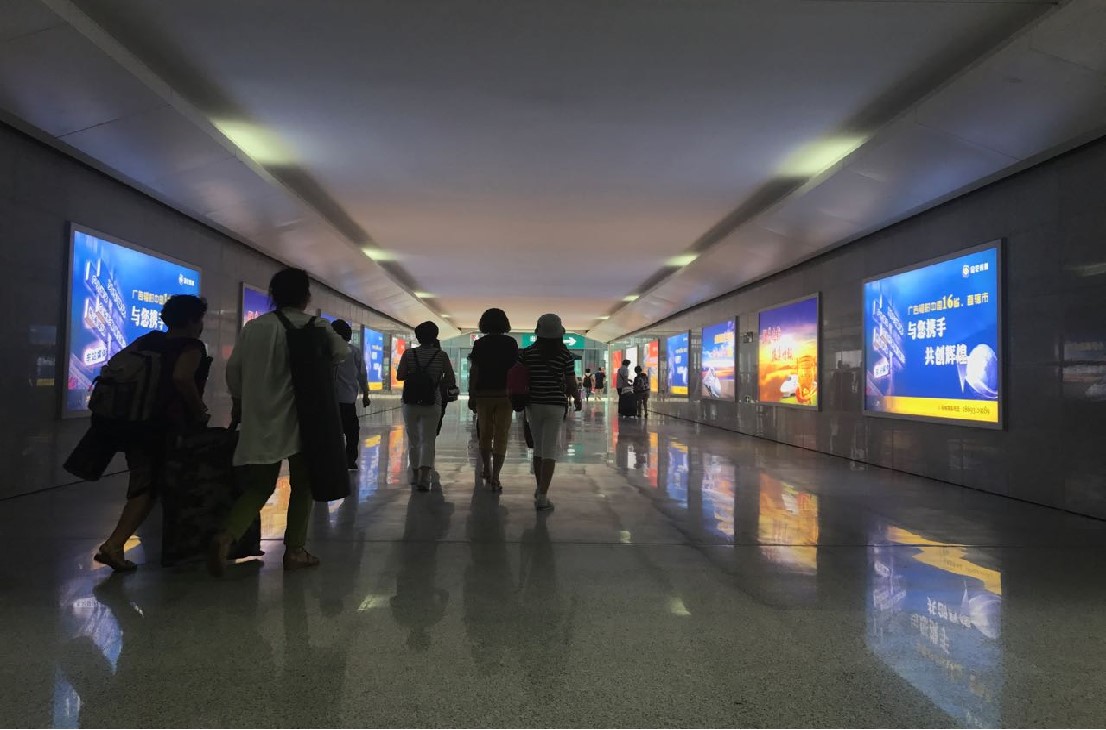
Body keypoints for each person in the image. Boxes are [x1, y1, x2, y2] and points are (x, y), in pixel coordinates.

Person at [209, 268, 348, 575]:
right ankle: (295, 551)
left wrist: (239, 402)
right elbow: (341, 352)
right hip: (303, 421)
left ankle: (227, 536)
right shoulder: (316, 325)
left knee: (259, 486)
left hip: (261, 420)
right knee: (303, 486)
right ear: (306, 296)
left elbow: (234, 371)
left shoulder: (255, 327)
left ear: (274, 296)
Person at [94, 295, 211, 572]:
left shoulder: (147, 341)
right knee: (150, 487)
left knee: (145, 482)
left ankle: (135, 544)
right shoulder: (191, 346)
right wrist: (199, 410)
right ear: (192, 321)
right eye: (200, 319)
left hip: (133, 423)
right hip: (165, 427)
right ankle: (114, 544)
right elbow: (182, 377)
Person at [518, 314, 581, 512]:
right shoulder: (565, 355)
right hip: (555, 404)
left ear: (538, 331)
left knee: (538, 447)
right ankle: (543, 496)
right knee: (550, 448)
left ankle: (540, 488)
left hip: (533, 404)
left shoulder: (527, 353)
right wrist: (577, 398)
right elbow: (570, 382)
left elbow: (521, 378)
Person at [398, 322, 457, 491]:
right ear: (435, 337)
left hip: (410, 401)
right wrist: (434, 381)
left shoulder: (409, 353)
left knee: (414, 440)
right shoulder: (441, 355)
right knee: (428, 440)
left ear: (417, 337)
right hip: (433, 401)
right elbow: (450, 379)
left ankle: (415, 474)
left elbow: (400, 375)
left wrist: (414, 376)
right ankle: (425, 477)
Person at [467, 308, 518, 491]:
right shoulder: (511, 343)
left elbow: (475, 370)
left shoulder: (480, 344)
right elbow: (515, 369)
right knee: (501, 434)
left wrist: (472, 394)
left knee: (485, 433)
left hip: (484, 394)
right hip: (505, 394)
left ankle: (486, 469)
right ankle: (496, 476)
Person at [331, 319, 371, 470]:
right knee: (352, 432)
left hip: (330, 400)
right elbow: (362, 374)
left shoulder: (327, 350)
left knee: (333, 431)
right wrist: (366, 394)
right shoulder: (354, 351)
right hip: (348, 399)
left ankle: (334, 458)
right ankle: (350, 459)